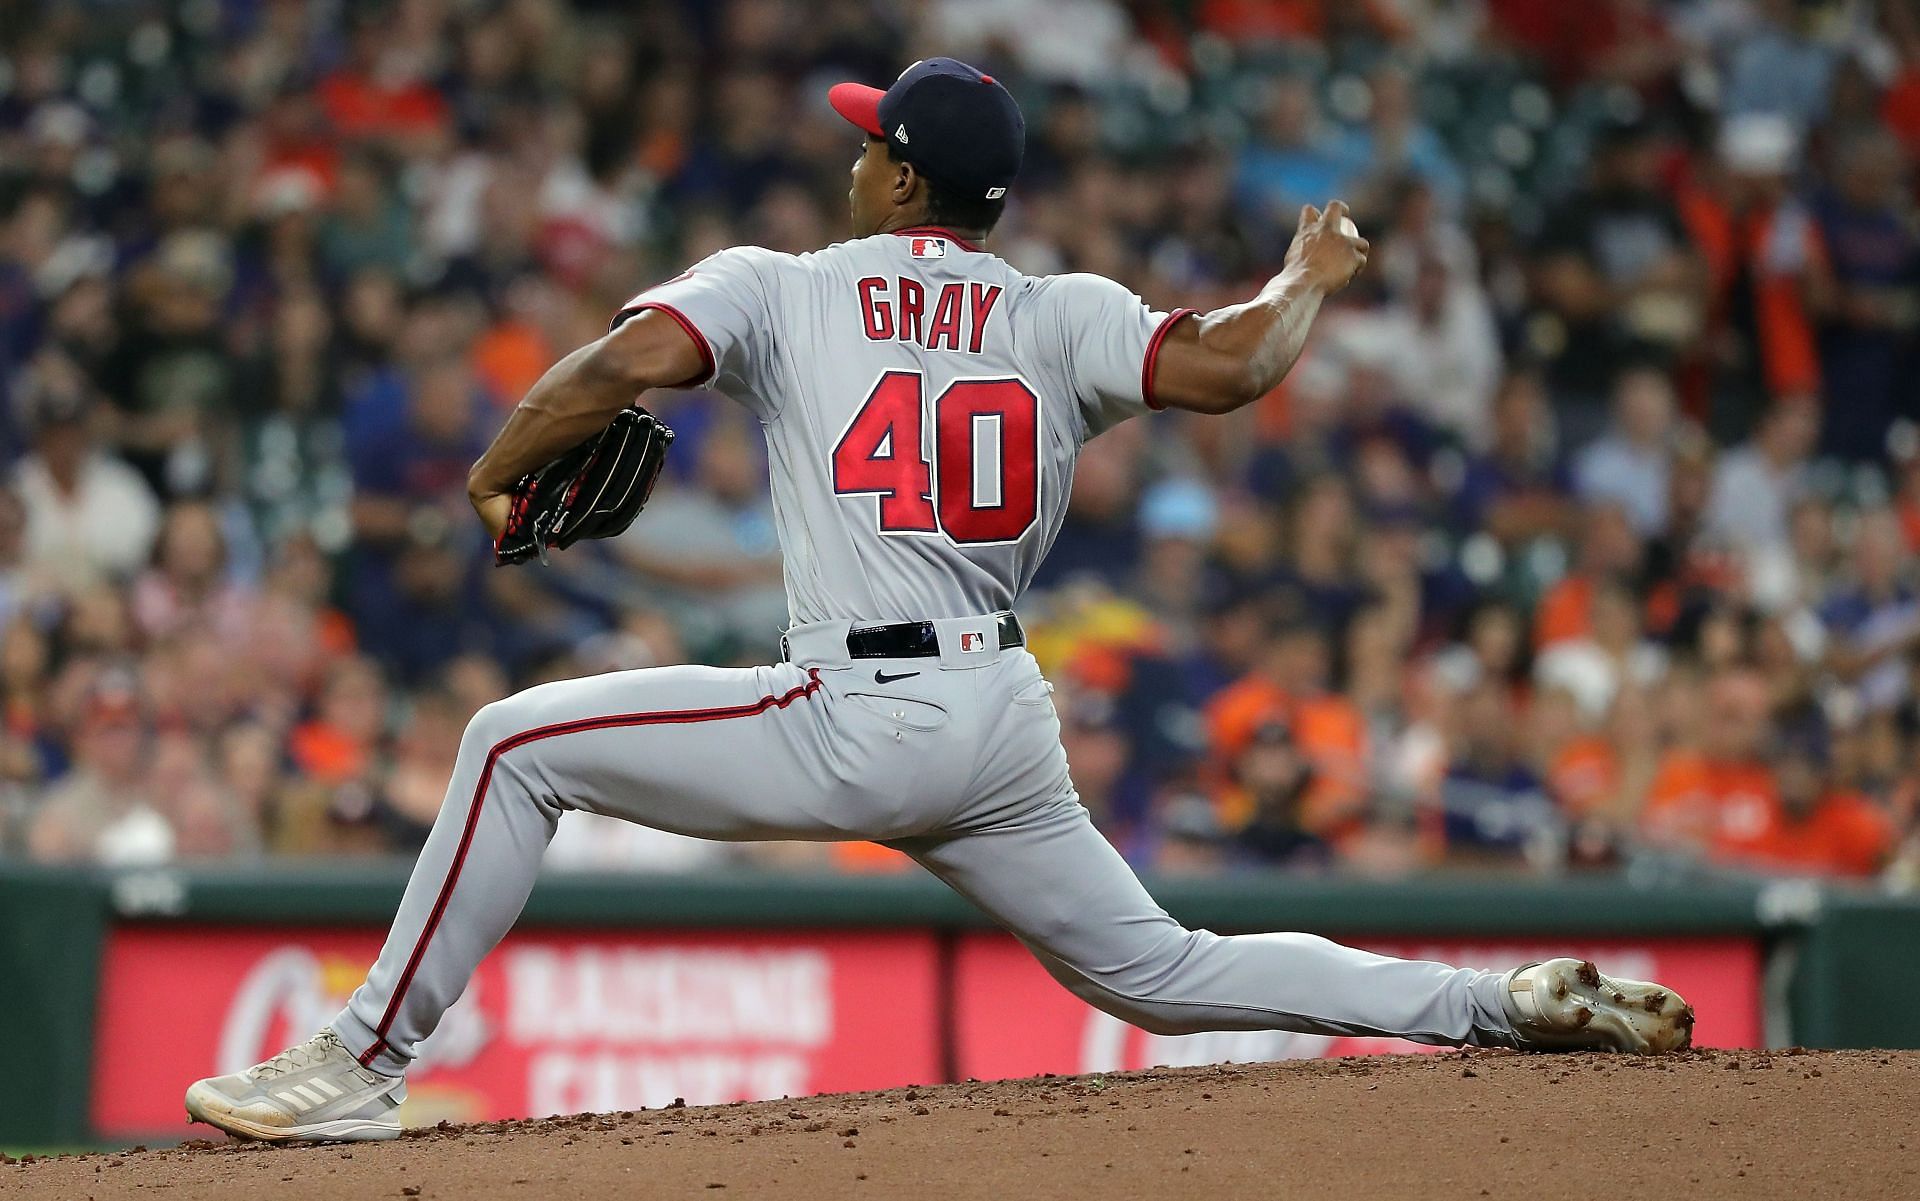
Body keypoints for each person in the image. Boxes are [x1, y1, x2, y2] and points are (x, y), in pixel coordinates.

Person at [186, 58, 1694, 1145]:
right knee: (1164, 970)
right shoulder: (1060, 311)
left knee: (517, 744)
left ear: (902, 176)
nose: (851, 162)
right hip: (998, 721)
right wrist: (1307, 275)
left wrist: (496, 471)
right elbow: (1234, 365)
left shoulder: (783, 281)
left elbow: (615, 369)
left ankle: (363, 1057)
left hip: (857, 706)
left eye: (867, 145)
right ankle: (1500, 1002)